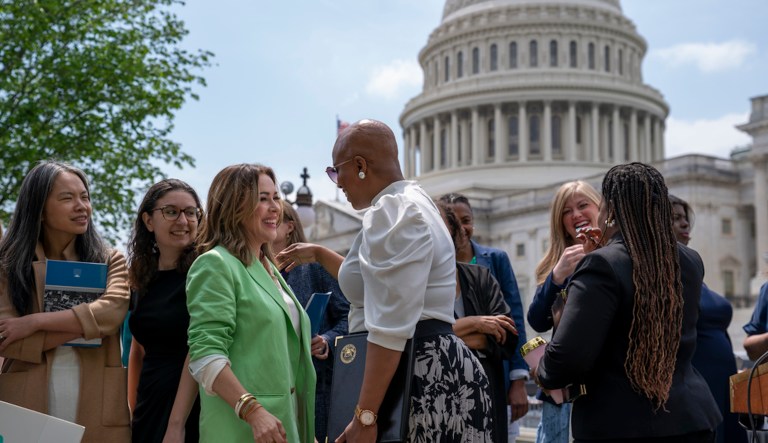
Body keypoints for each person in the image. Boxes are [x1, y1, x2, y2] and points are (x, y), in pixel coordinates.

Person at [277, 119, 493, 442]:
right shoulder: (412, 201)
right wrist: (321, 254)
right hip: (426, 364)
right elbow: (375, 281)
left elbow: (390, 325)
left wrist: (365, 415)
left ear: (360, 165)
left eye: (337, 171)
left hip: (416, 371)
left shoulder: (393, 211)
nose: (338, 183)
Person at [533, 162, 721, 442]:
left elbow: (570, 355)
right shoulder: (690, 260)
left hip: (619, 423)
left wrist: (543, 371)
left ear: (609, 211)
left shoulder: (601, 264)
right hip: (691, 418)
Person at [0, 160, 130, 442]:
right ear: (39, 210)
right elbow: (6, 338)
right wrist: (90, 327)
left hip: (98, 398)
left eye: (85, 197)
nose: (82, 206)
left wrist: (34, 322)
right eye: (67, 198)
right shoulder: (7, 263)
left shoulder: (111, 259)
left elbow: (113, 312)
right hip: (26, 399)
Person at [185, 164, 315, 443]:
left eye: (276, 197)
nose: (275, 208)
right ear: (234, 207)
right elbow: (205, 355)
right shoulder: (215, 264)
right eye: (262, 198)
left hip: (284, 428)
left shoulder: (269, 268)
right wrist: (252, 410)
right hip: (240, 431)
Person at [438, 192, 529, 433]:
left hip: (492, 379)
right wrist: (477, 325)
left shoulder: (490, 265)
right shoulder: (422, 280)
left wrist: (518, 378)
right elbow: (425, 336)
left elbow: (510, 326)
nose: (461, 229)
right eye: (454, 223)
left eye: (466, 221)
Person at [127, 179, 202, 442]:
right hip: (149, 404)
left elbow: (200, 348)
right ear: (148, 221)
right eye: (171, 212)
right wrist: (133, 410)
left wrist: (175, 424)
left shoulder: (205, 273)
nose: (183, 221)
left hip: (194, 406)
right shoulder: (140, 276)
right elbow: (138, 350)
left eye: (190, 212)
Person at [526, 180, 601, 443]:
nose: (576, 215)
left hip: (605, 384)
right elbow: (537, 320)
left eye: (583, 205)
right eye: (567, 211)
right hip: (563, 389)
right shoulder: (557, 264)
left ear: (600, 208)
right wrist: (557, 276)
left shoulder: (616, 253)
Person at [668, 194, 745, 443]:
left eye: (685, 218)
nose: (685, 223)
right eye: (675, 218)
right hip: (698, 380)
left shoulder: (691, 267)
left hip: (725, 380)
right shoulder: (663, 275)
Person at [271, 200, 350, 441]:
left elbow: (350, 315)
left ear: (290, 227)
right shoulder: (255, 270)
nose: (267, 220)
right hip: (274, 384)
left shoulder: (315, 267)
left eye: (276, 218)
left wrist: (327, 340)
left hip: (316, 385)